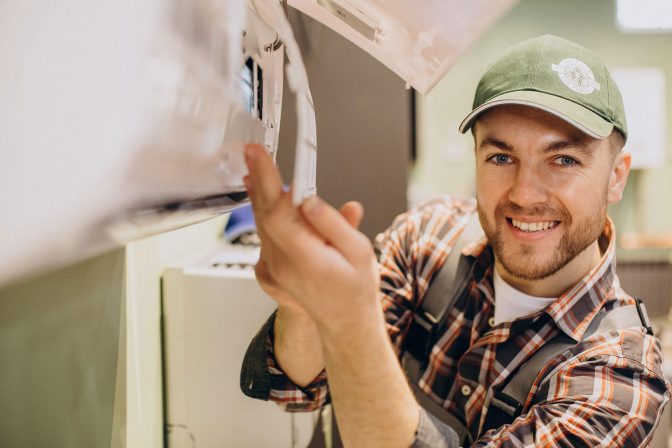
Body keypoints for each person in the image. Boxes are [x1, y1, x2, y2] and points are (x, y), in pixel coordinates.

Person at [239, 35, 671, 447]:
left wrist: (350, 319)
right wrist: (304, 305)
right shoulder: (428, 238)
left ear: (616, 177)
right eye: (501, 157)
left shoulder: (620, 378)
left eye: (563, 159)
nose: (523, 193)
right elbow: (296, 387)